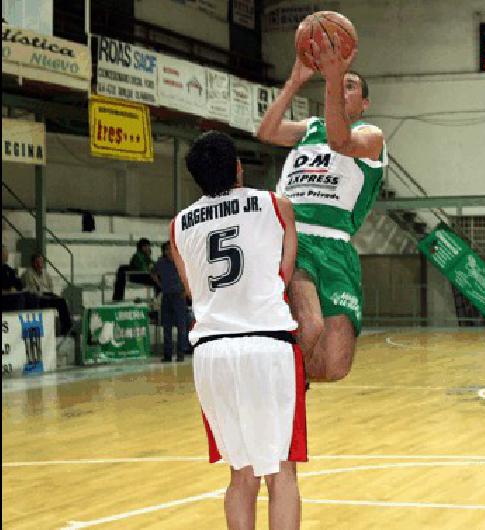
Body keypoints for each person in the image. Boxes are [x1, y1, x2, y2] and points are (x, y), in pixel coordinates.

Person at [171, 130, 305, 530]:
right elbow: (283, 274)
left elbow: (193, 290)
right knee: (281, 473)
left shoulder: (178, 227)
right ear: (238, 168)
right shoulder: (276, 205)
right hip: (267, 346)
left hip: (212, 353)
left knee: (240, 473)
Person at [257, 33, 385, 382]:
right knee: (309, 326)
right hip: (295, 239)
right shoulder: (309, 129)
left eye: (350, 86)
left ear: (365, 104)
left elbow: (340, 140)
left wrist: (331, 76)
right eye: (338, 84)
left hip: (337, 248)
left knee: (333, 367)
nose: (341, 88)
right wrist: (294, 81)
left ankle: (288, 377)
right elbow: (266, 131)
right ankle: (271, 380)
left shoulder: (371, 136)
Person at [153, 242, 190, 362]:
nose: (169, 252)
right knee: (166, 326)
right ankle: (167, 354)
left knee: (181, 326)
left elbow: (189, 275)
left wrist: (186, 290)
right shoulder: (160, 263)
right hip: (167, 296)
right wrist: (161, 285)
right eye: (167, 250)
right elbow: (153, 273)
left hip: (179, 296)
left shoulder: (181, 261)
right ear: (163, 251)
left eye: (171, 249)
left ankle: (181, 353)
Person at [21, 252, 72, 335]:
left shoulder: (46, 274)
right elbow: (31, 289)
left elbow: (50, 287)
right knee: (48, 300)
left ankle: (67, 328)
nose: (39, 265)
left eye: (41, 262)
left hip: (48, 295)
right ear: (33, 263)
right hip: (37, 298)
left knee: (62, 301)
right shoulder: (28, 273)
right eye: (37, 262)